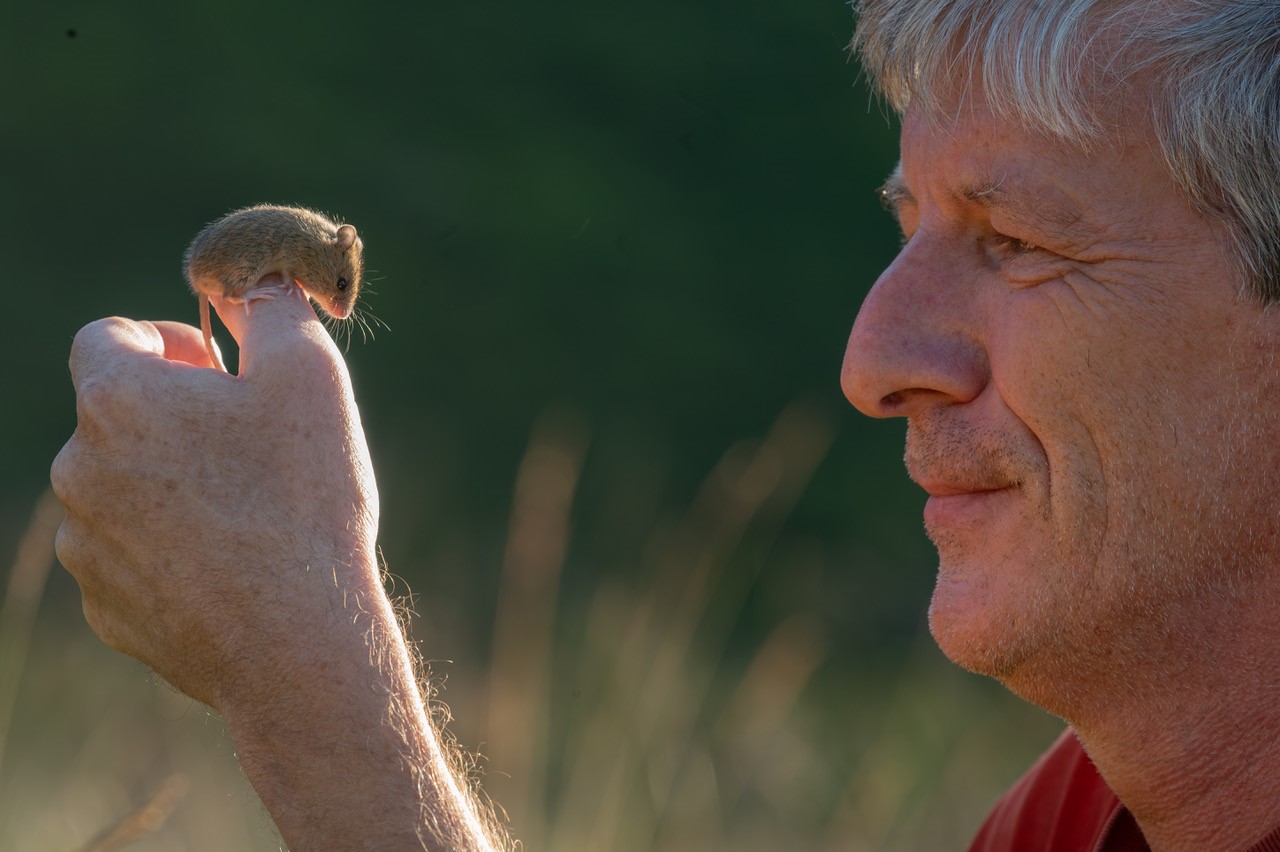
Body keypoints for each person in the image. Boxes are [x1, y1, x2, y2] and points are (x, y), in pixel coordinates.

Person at [48, 1, 1280, 850]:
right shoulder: (1082, 815)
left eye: (1014, 243)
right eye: (909, 228)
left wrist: (306, 663)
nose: (872, 363)